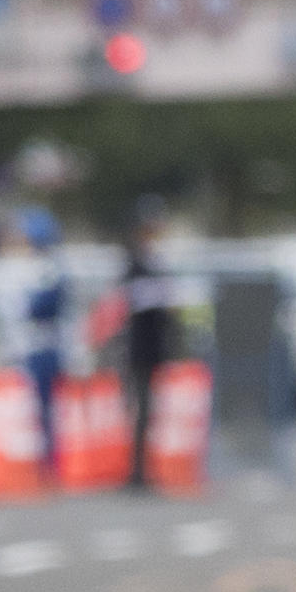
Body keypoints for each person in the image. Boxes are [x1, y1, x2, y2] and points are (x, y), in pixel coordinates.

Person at [115, 200, 177, 495]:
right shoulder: (134, 263)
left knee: (149, 410)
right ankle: (136, 470)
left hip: (153, 346)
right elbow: (130, 302)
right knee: (139, 408)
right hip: (139, 347)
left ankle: (145, 468)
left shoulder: (155, 262)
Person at [14, 208, 70, 479]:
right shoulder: (33, 266)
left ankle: (48, 463)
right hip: (32, 346)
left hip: (45, 347)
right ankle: (38, 460)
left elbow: (42, 306)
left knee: (46, 407)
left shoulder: (50, 267)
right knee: (34, 407)